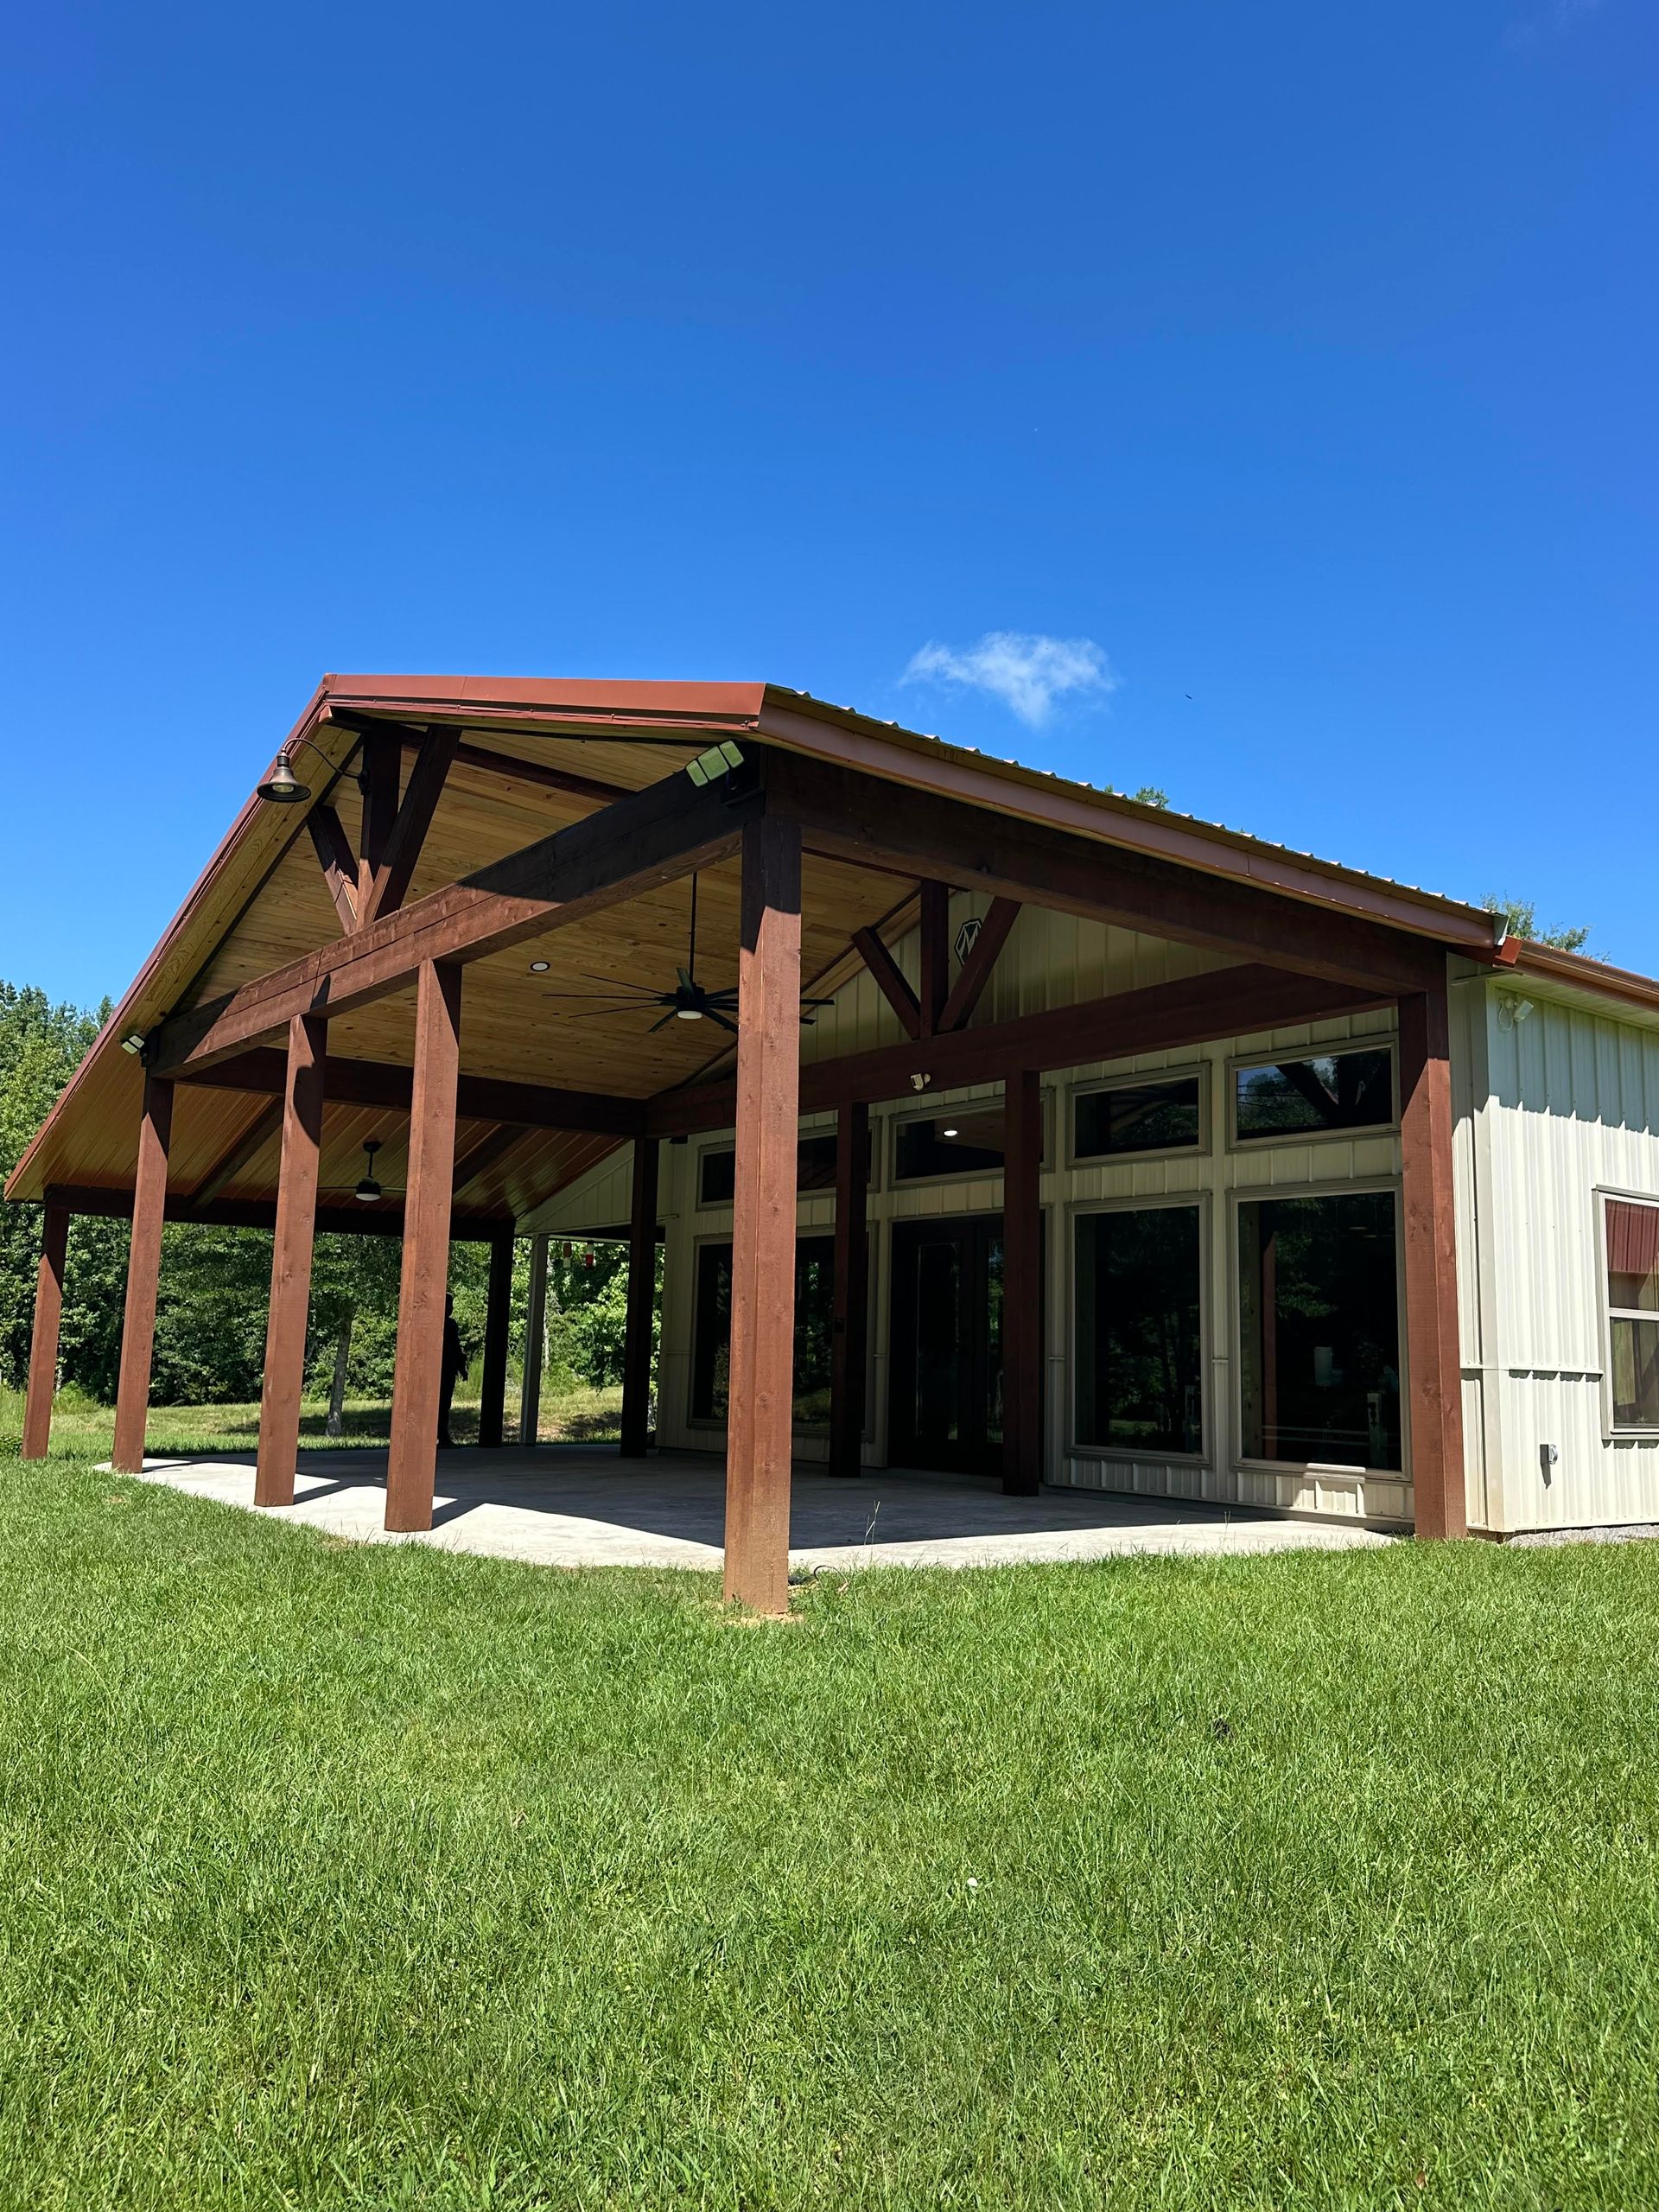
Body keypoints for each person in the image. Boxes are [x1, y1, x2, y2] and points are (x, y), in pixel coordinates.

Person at [438, 1295, 467, 1448]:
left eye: (451, 1305)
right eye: (447, 1305)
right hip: (442, 1370)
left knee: (444, 1405)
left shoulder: (450, 1324)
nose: (450, 1308)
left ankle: (442, 1436)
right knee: (442, 1405)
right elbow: (455, 1348)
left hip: (448, 1370)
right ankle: (441, 1437)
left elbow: (456, 1348)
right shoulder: (445, 1325)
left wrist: (462, 1368)